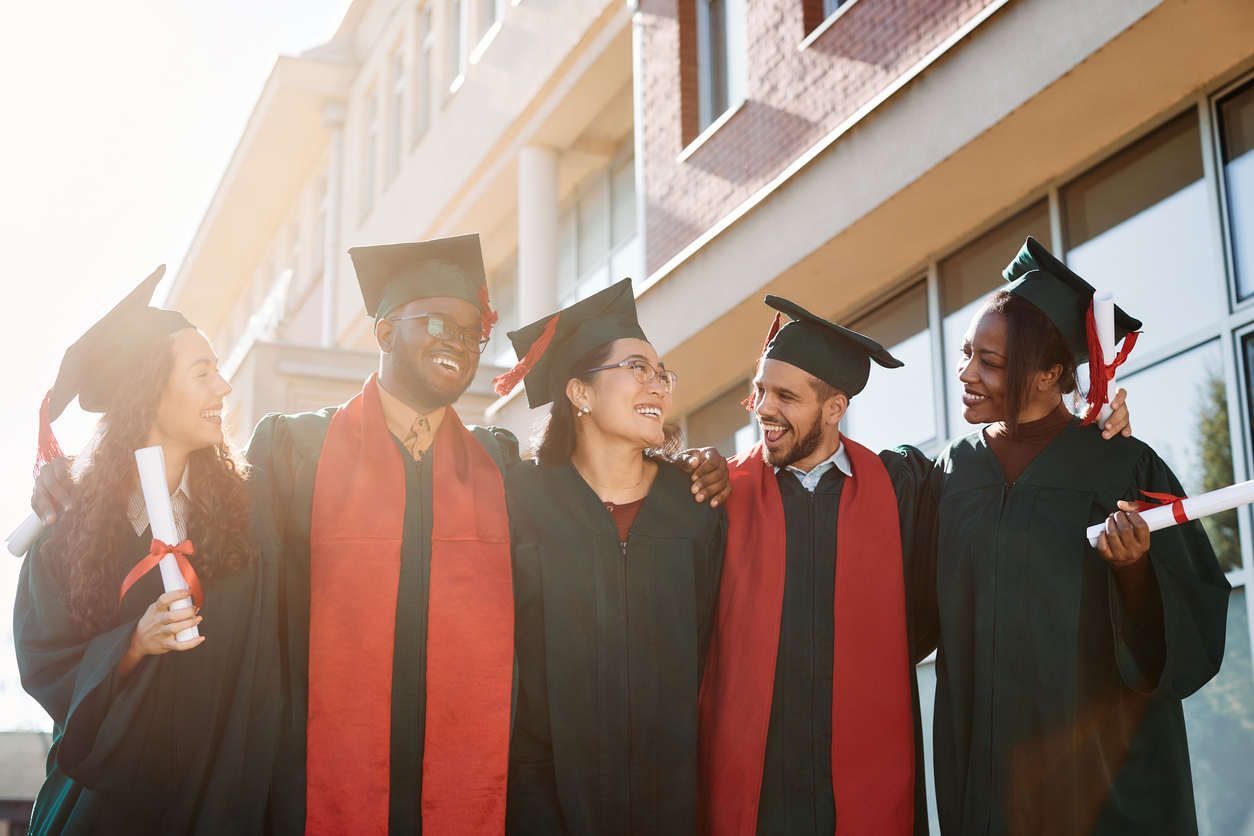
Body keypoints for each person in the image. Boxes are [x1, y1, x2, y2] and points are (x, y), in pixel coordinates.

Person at [697, 294, 1133, 836]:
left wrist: (1093, 432)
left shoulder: (902, 488)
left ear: (835, 408)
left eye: (785, 395)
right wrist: (688, 464)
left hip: (866, 783)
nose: (764, 406)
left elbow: (1009, 506)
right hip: (753, 792)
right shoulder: (720, 495)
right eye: (759, 390)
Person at [926, 236, 1231, 835]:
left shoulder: (1123, 467)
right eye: (967, 354)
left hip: (1103, 784)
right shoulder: (949, 473)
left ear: (1051, 374)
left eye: (991, 362)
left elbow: (1189, 628)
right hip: (987, 782)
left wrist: (1135, 569)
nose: (966, 374)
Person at [14, 267, 281, 835]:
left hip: (219, 806)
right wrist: (131, 646)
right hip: (105, 814)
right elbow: (47, 664)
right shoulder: (67, 535)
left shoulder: (248, 516)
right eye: (203, 372)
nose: (224, 388)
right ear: (149, 391)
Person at [496, 279, 728, 835]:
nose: (659, 385)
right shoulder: (518, 501)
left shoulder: (697, 504)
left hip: (675, 800)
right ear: (579, 393)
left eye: (662, 373)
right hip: (545, 800)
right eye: (637, 368)